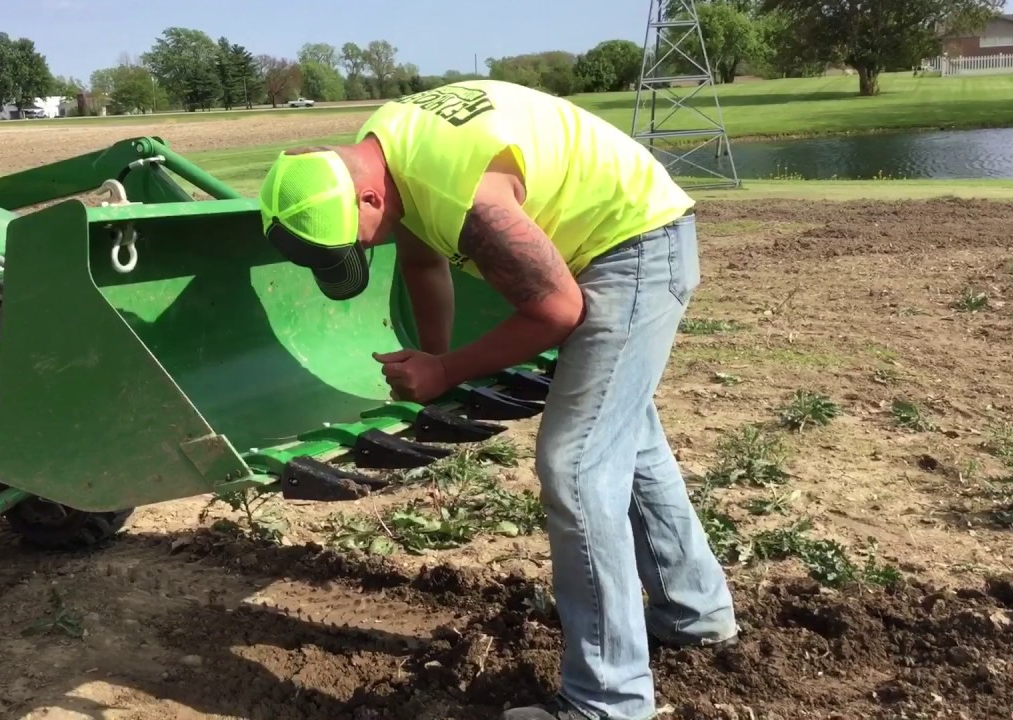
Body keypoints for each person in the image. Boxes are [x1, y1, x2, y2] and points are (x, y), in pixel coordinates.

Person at [257, 79, 737, 720]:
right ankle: (693, 610)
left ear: (368, 196)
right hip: (616, 232)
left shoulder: (462, 191)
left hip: (633, 250)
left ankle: (608, 702)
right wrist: (436, 366)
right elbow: (424, 264)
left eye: (359, 240)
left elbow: (558, 311)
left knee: (574, 465)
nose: (365, 249)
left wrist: (450, 366)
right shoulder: (390, 149)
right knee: (626, 437)